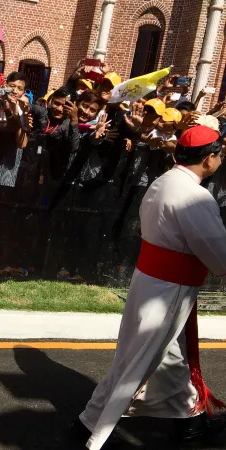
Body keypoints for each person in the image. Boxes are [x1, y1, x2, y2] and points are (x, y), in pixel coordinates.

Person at [74, 124, 226, 450]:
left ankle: (191, 420)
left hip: (152, 282)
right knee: (136, 364)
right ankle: (92, 429)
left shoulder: (165, 179)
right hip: (170, 290)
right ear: (211, 158)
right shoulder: (195, 197)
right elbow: (219, 255)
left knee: (170, 356)